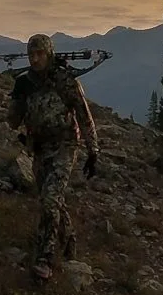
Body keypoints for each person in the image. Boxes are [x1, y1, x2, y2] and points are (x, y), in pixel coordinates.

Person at [6, 33, 100, 281]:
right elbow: (12, 121)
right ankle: (69, 242)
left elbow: (84, 115)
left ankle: (45, 258)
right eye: (31, 55)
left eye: (39, 54)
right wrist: (17, 98)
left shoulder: (65, 80)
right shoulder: (25, 83)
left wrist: (93, 151)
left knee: (49, 200)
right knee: (53, 198)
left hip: (65, 146)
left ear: (49, 54)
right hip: (38, 148)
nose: (35, 59)